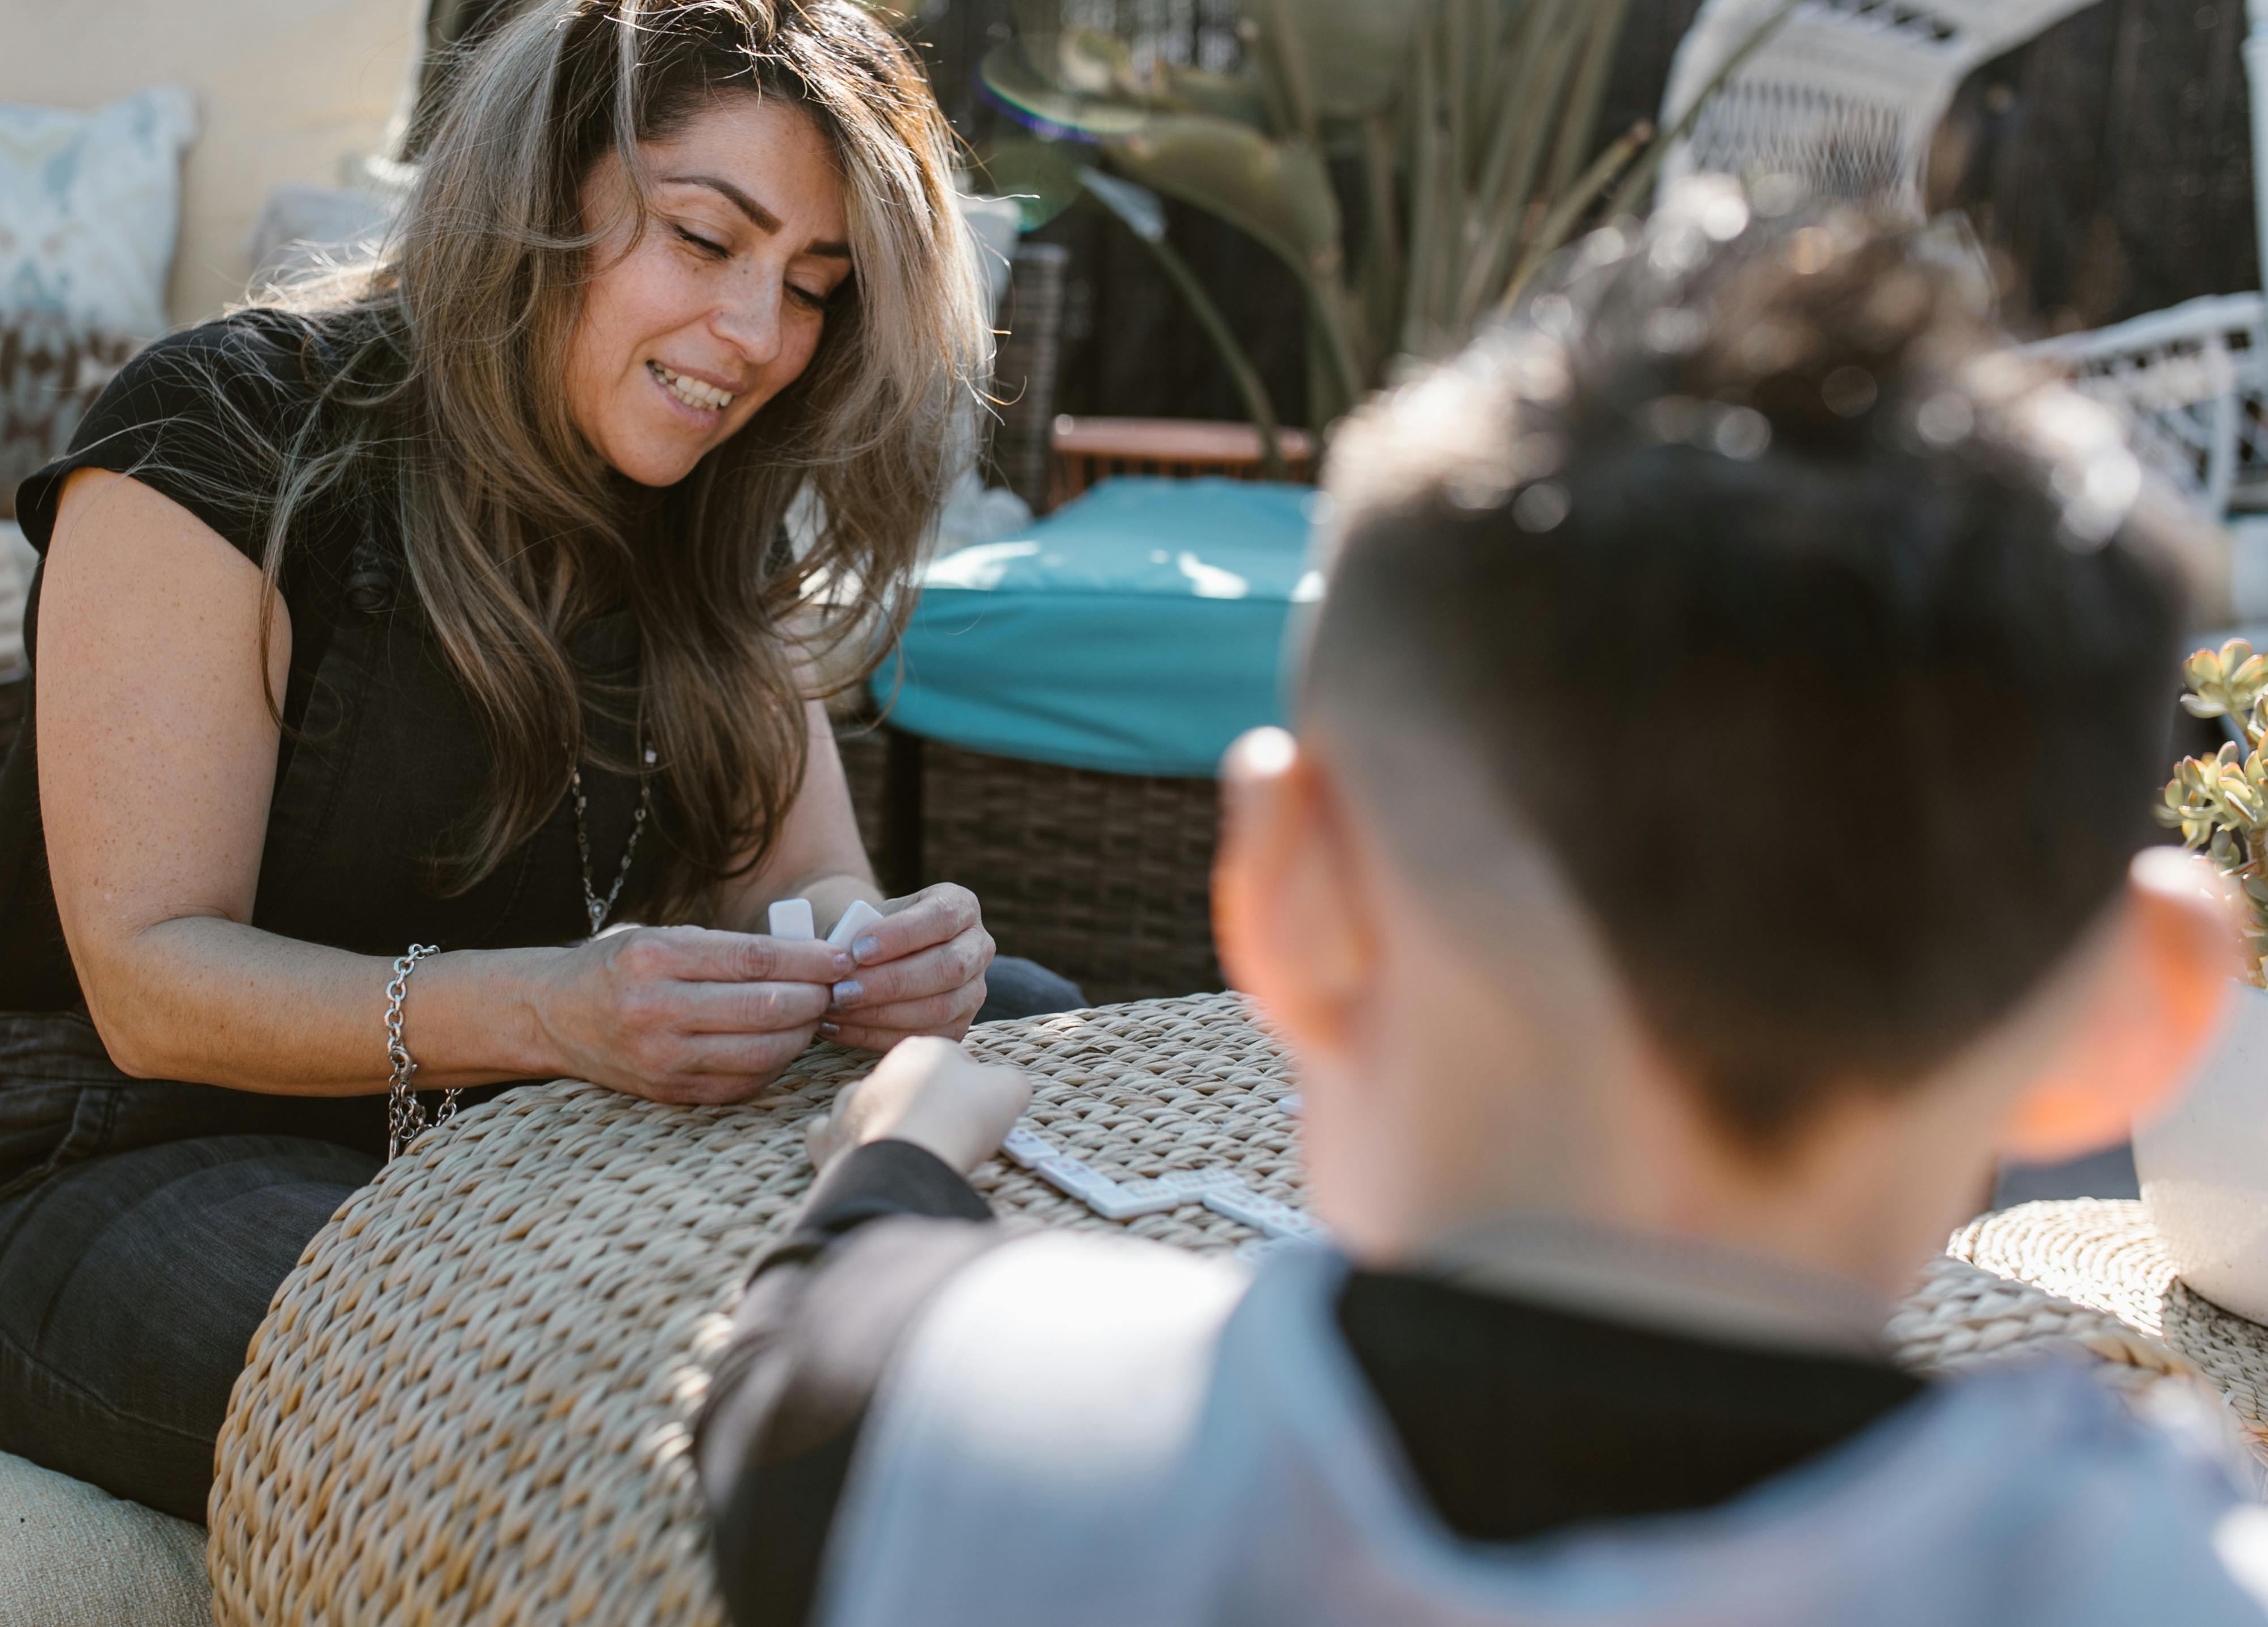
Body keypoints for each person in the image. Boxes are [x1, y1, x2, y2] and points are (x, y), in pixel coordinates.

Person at [695, 188, 2268, 1626]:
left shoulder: (938, 1440)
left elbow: (801, 1343)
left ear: (1290, 893)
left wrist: (895, 1150)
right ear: (2130, 1013)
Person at [0, 0, 1083, 1523]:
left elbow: (804, 883)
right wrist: (556, 1013)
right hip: (115, 1161)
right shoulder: (219, 429)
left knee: (1027, 1016)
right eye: (707, 242)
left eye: (812, 286)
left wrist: (879, 957)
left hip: (500, 1141)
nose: (756, 341)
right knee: (578, 1398)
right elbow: (151, 986)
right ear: (543, 193)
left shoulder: (705, 503)